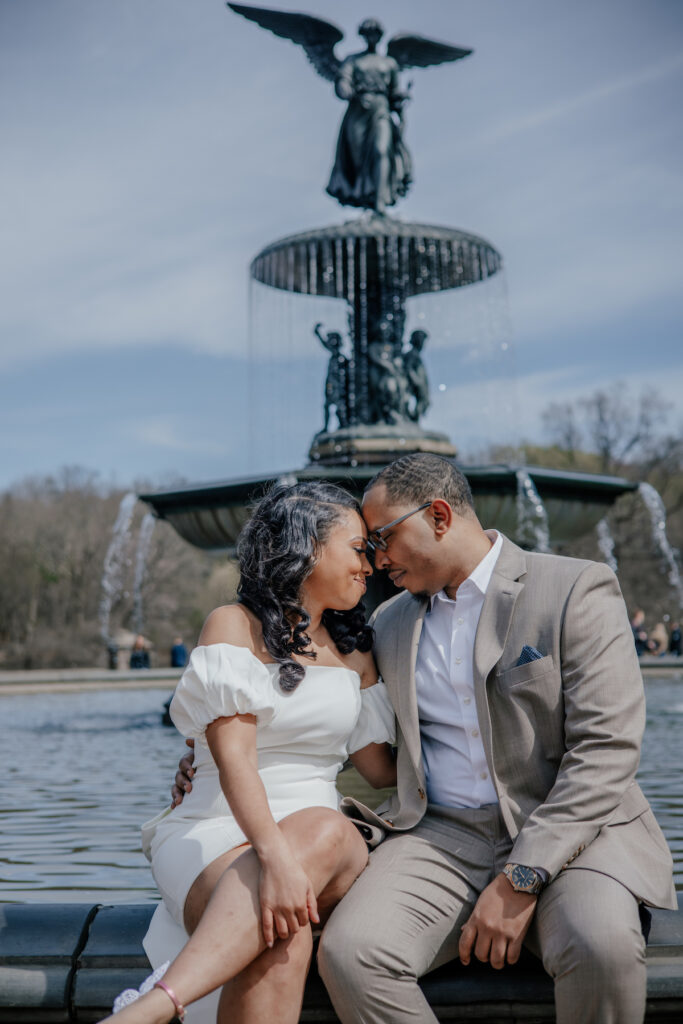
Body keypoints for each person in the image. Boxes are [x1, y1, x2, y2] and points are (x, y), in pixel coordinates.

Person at [173, 453, 676, 1024]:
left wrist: (522, 876)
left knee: (602, 947)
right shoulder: (388, 624)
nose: (377, 558)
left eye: (383, 538)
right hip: (438, 835)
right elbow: (310, 712)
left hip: (570, 828)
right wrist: (203, 758)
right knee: (352, 954)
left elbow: (605, 753)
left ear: (438, 516)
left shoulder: (574, 588)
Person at [102, 481, 396, 1024]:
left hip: (324, 846)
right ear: (307, 547)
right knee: (285, 939)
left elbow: (382, 773)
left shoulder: (357, 654)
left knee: (328, 828)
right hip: (213, 828)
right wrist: (277, 861)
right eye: (358, 549)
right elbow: (235, 759)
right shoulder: (233, 625)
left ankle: (148, 1010)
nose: (370, 567)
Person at [326, 19, 412, 214]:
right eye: (367, 33)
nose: (371, 37)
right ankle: (366, 196)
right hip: (358, 110)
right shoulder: (353, 60)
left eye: (375, 33)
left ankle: (380, 201)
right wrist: (345, 89)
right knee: (357, 160)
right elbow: (342, 81)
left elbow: (394, 91)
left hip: (380, 110)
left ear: (380, 36)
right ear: (363, 36)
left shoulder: (389, 63)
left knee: (381, 150)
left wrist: (401, 98)